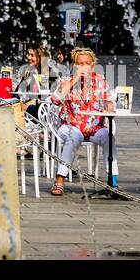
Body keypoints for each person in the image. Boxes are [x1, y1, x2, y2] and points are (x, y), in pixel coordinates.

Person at [49, 47, 117, 196]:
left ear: (93, 65)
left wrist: (109, 106)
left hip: (94, 127)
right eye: (80, 63)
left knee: (109, 137)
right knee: (75, 136)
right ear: (75, 65)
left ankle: (113, 181)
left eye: (87, 63)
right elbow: (55, 100)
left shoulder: (100, 81)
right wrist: (75, 79)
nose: (83, 66)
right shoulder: (67, 81)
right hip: (70, 125)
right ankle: (60, 179)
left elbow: (109, 105)